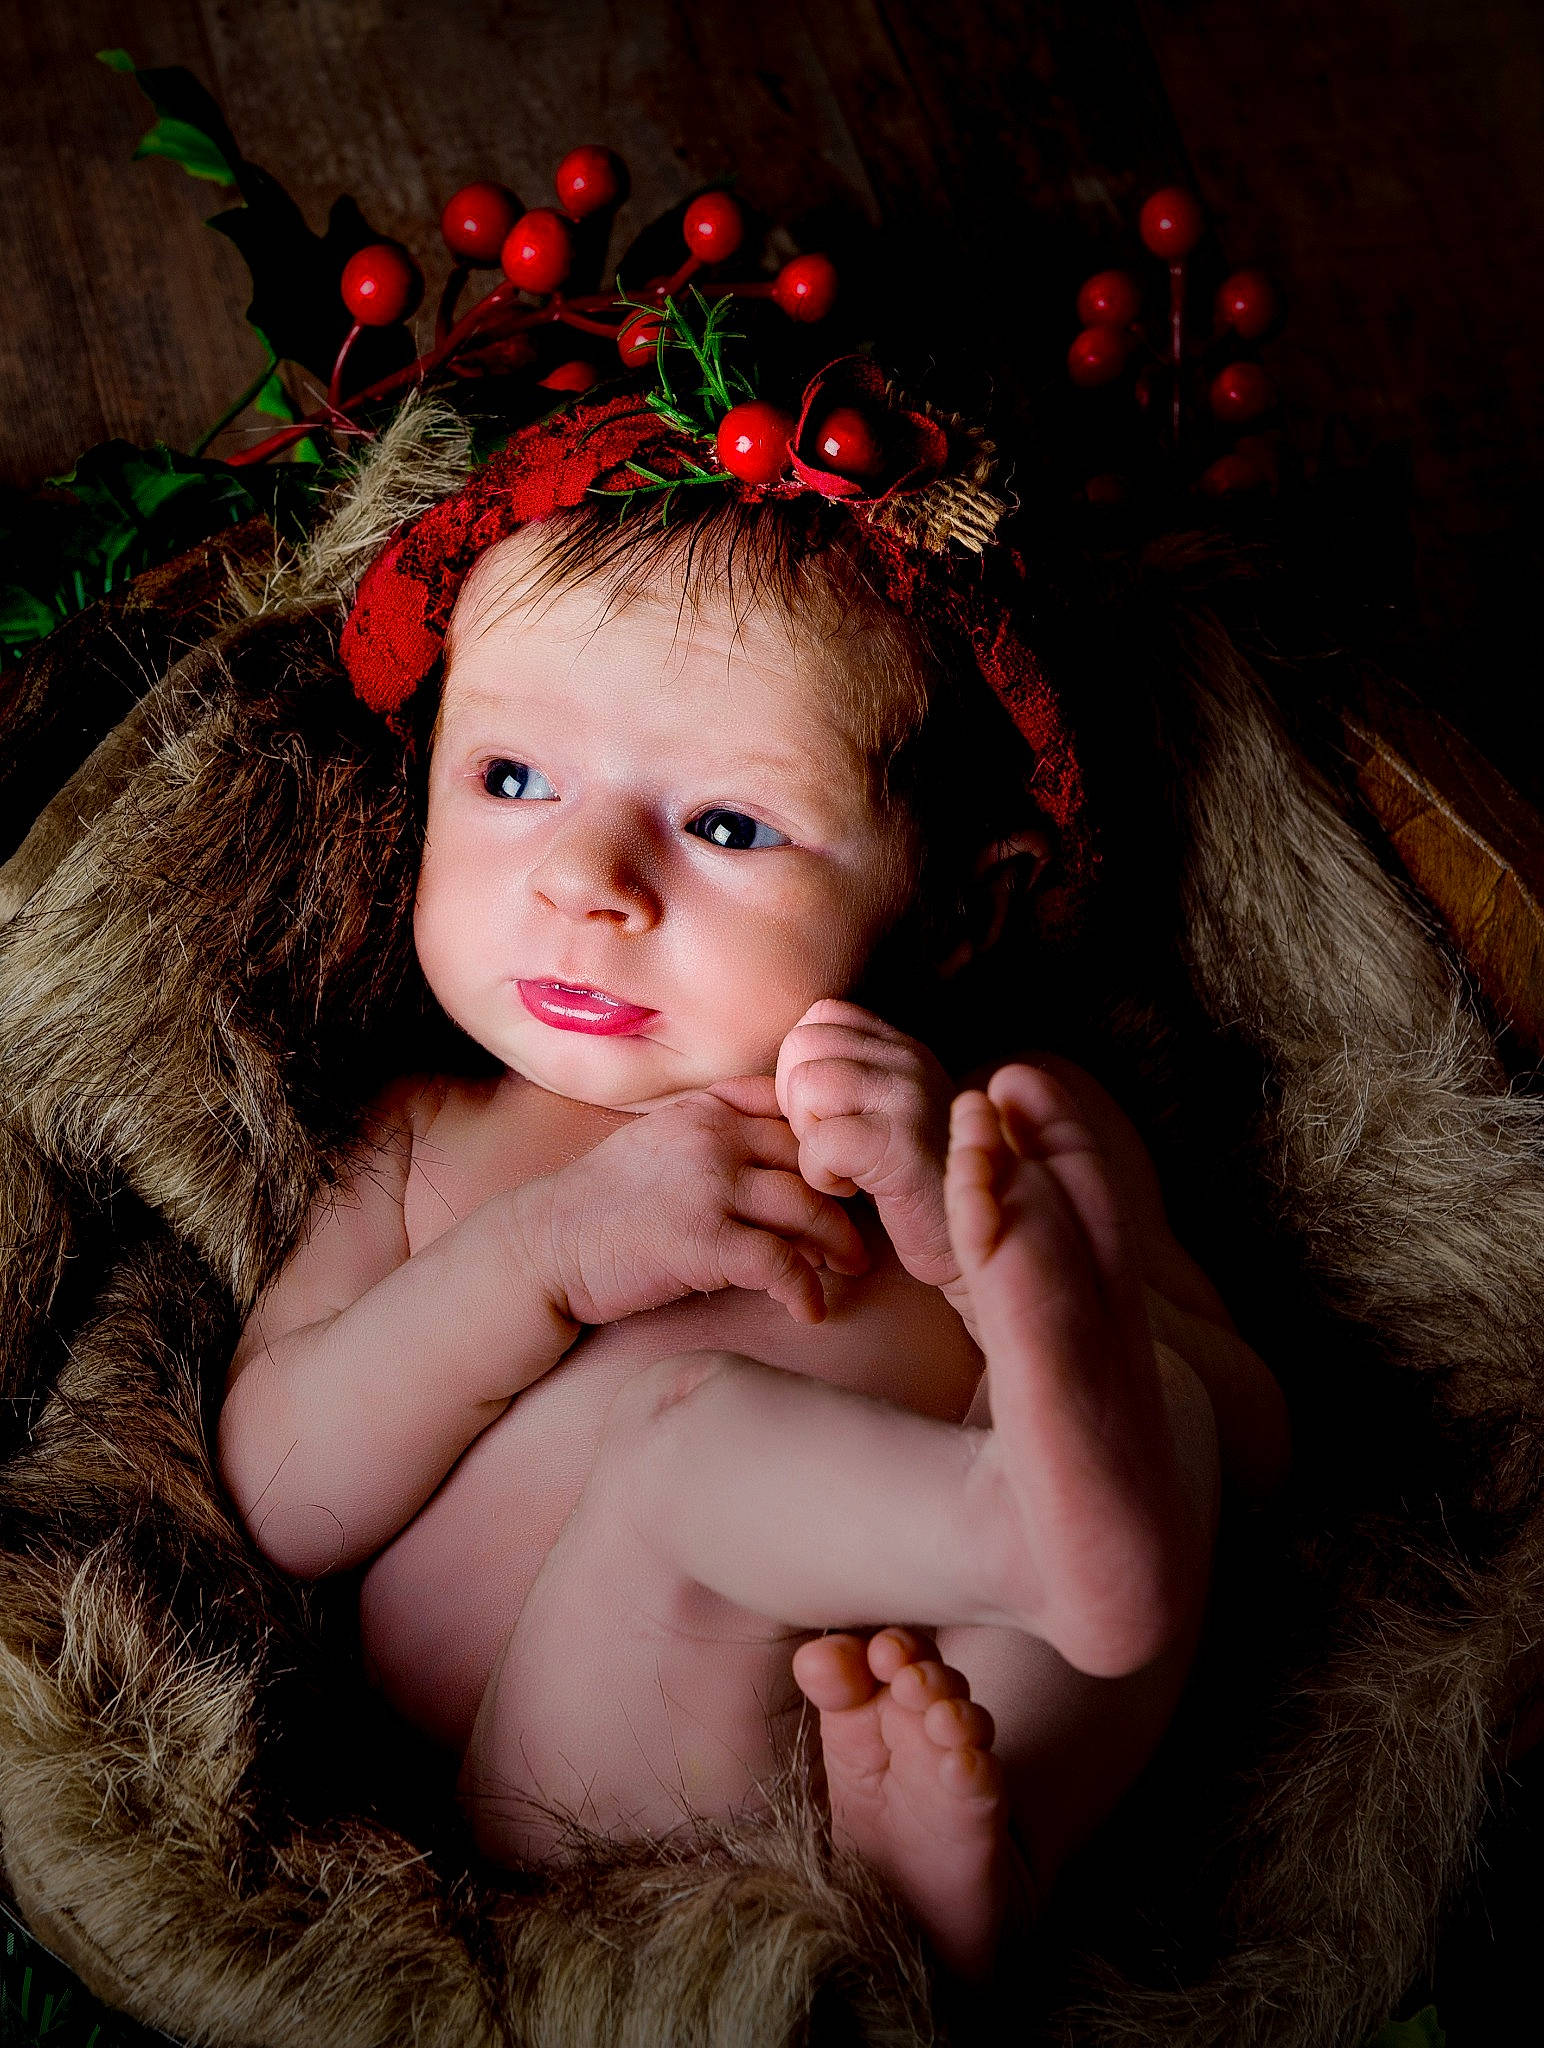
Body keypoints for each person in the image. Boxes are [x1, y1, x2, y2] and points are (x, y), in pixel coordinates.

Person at [217, 400, 1289, 1982]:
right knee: (689, 1445)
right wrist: (541, 1256)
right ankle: (1021, 1542)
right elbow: (282, 1494)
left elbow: (1250, 1451)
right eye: (511, 776)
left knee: (1158, 1403)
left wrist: (974, 1246)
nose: (585, 879)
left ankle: (980, 1854)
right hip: (580, 1791)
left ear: (959, 911)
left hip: (936, 1732)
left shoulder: (999, 1129)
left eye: (726, 824)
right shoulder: (428, 1145)